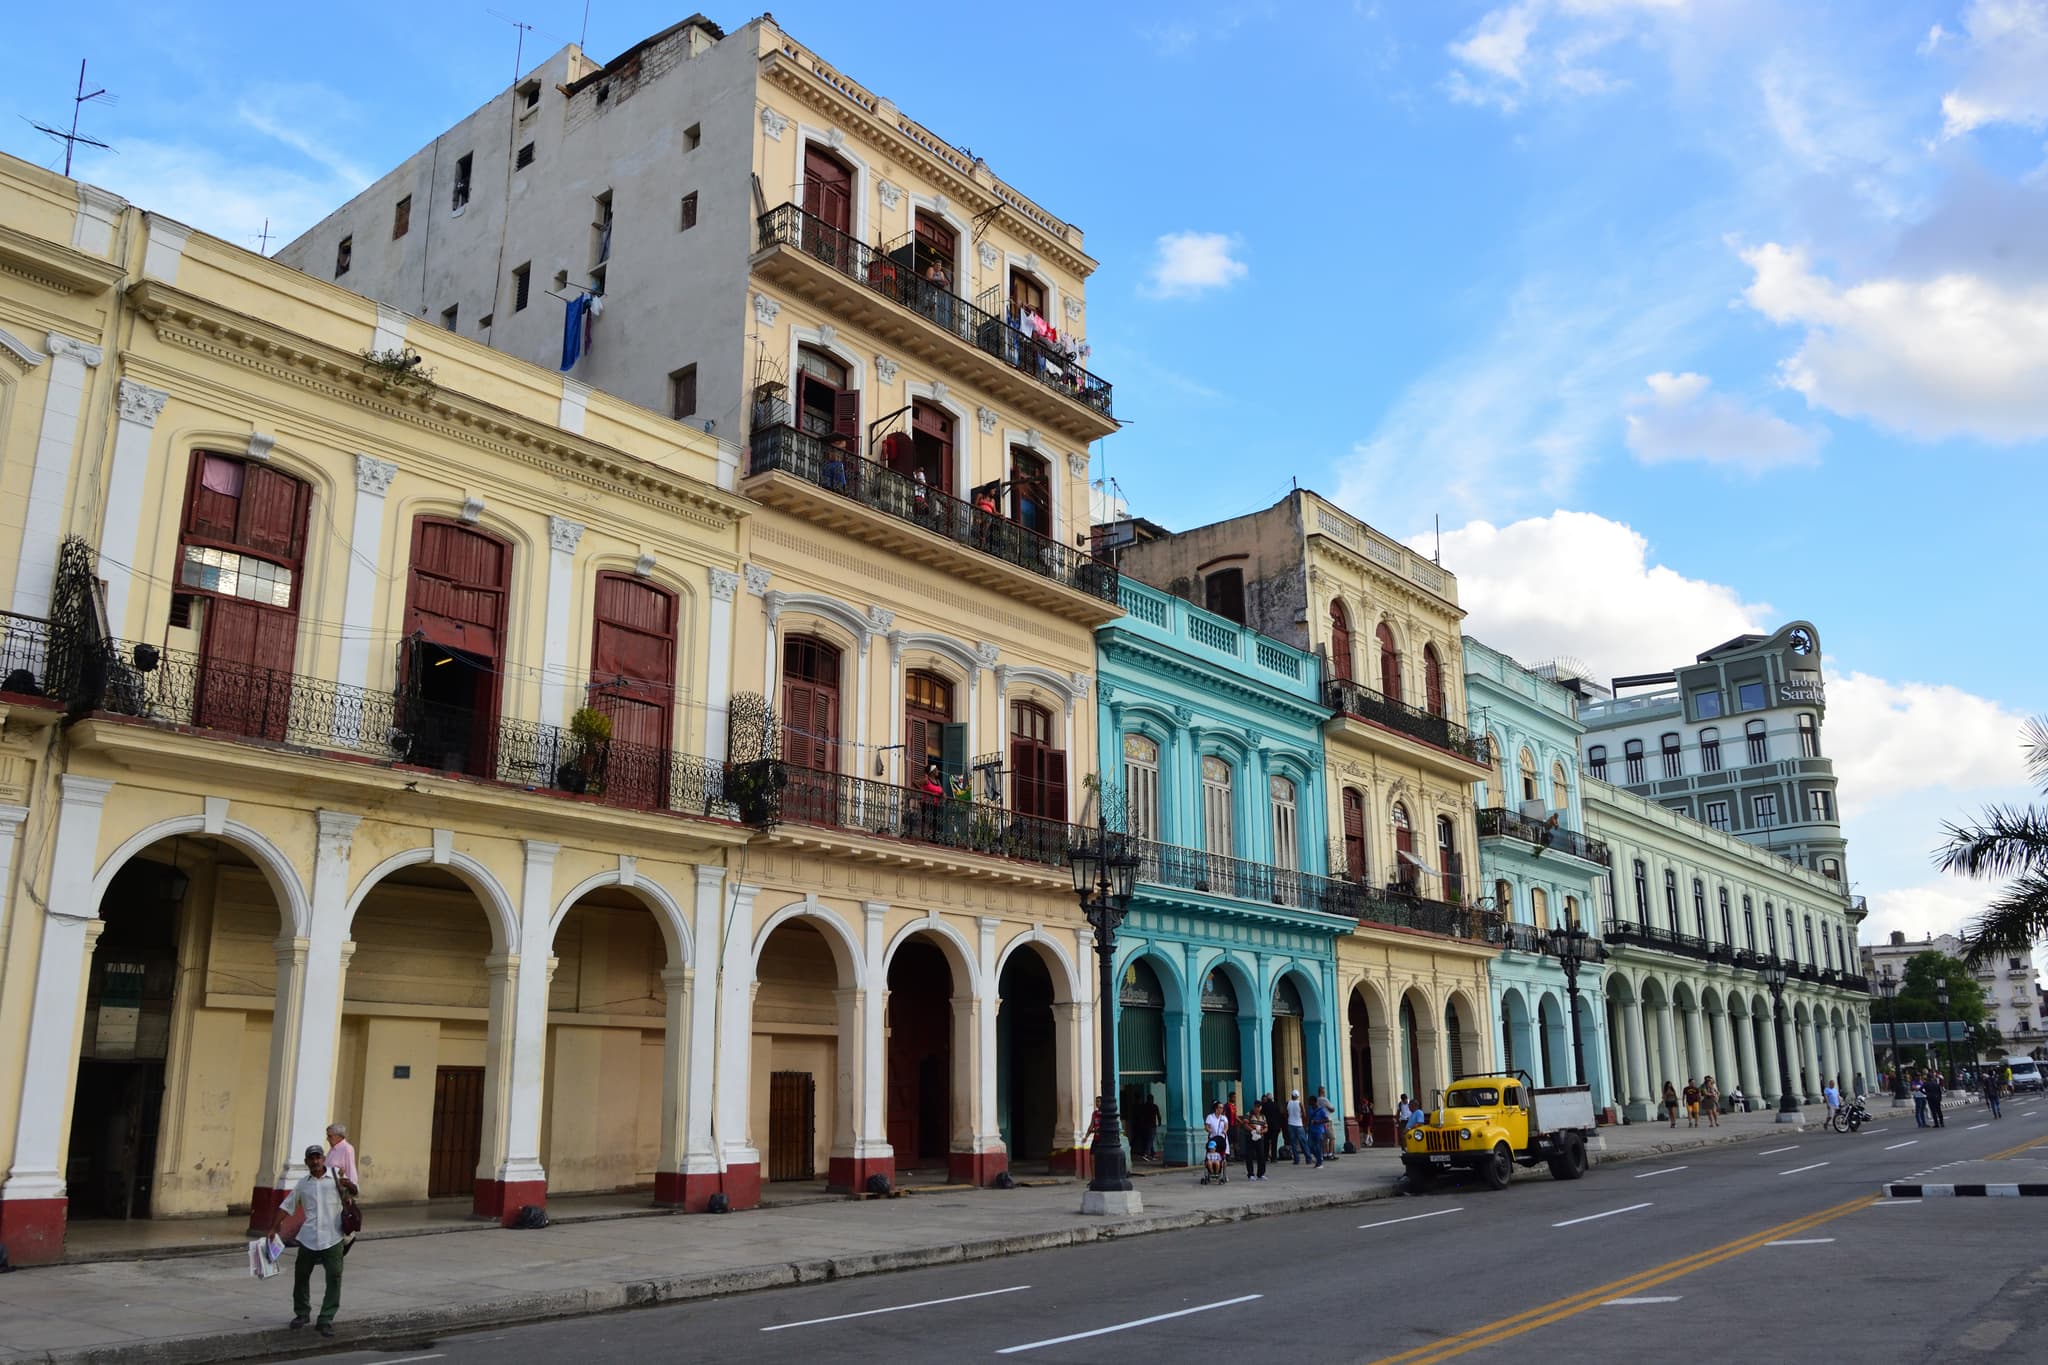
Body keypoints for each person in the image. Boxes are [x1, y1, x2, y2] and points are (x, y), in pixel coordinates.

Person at [266, 1144, 352, 1337]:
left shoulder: (337, 1180)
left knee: (335, 1277)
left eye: (318, 1157)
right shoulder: (303, 1184)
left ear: (323, 1159)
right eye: (311, 1158)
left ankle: (326, 1318)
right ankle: (302, 1313)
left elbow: (352, 1196)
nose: (315, 1161)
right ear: (306, 1162)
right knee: (301, 1276)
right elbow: (286, 1206)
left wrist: (348, 1187)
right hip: (308, 1238)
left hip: (333, 1237)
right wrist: (273, 1228)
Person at [1285, 1089, 1321, 1167]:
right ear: (1298, 1096)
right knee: (1304, 1143)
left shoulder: (1288, 1103)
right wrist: (1304, 1122)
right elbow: (1304, 1114)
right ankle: (1308, 1159)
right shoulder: (1300, 1103)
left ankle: (1296, 1159)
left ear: (1291, 1096)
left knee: (1293, 1143)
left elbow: (1286, 1114)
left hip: (1290, 1124)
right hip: (1299, 1125)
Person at [324, 1124, 358, 1189]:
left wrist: (352, 1188)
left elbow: (351, 1169)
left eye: (330, 1136)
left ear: (339, 1136)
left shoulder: (347, 1148)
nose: (327, 1139)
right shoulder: (333, 1149)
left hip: (339, 1189)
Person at [1242, 1104, 1269, 1181]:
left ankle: (1261, 1174)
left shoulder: (1263, 1116)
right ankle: (1250, 1174)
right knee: (1249, 1155)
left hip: (1260, 1137)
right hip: (1250, 1137)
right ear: (1254, 1107)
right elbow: (1245, 1124)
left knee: (1261, 1155)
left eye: (1259, 1107)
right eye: (1256, 1107)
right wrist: (1252, 1130)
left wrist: (1261, 1132)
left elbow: (1266, 1127)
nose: (1257, 1109)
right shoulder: (1249, 1114)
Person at [1134, 1094, 1163, 1163]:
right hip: (1152, 1126)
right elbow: (1159, 1116)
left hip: (1144, 1126)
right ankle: (1145, 1154)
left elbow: (1141, 1116)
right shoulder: (1154, 1106)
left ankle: (1152, 1154)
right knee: (1150, 1140)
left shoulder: (1144, 1106)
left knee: (1148, 1140)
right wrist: (1159, 1123)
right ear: (1152, 1099)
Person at [1316, 1087, 1338, 1161]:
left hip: (1321, 1121)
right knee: (1332, 1137)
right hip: (1328, 1121)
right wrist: (1330, 1109)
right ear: (1322, 1092)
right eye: (1324, 1091)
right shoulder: (1324, 1099)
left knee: (1324, 1139)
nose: (1325, 1093)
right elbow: (1332, 1109)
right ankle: (1330, 1154)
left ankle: (1324, 1154)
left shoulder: (1317, 1100)